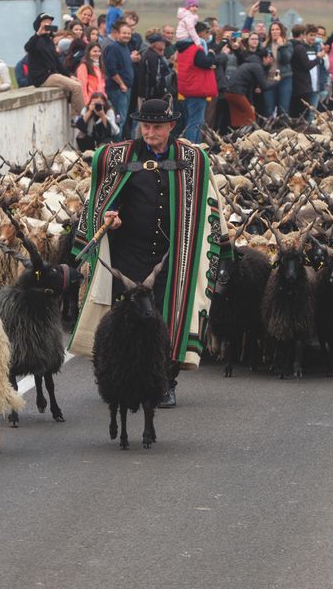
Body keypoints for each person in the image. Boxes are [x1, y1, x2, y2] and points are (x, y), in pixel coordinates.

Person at [68, 98, 232, 409]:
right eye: (146, 126)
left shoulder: (192, 160)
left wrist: (222, 250)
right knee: (127, 320)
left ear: (171, 126)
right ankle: (126, 379)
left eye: (157, 127)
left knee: (166, 319)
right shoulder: (119, 158)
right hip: (127, 256)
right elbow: (100, 200)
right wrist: (108, 219)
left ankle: (165, 383)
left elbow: (210, 205)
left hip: (172, 257)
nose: (150, 132)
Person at [25, 13, 83, 103]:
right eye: (45, 24)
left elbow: (57, 63)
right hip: (42, 78)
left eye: (50, 24)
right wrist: (38, 33)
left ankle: (75, 114)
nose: (48, 26)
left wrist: (70, 75)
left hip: (51, 75)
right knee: (77, 87)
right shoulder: (36, 40)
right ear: (39, 25)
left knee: (77, 84)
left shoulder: (49, 41)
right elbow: (27, 47)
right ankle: (83, 116)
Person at [176, 22, 219, 143]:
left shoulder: (184, 48)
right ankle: (193, 147)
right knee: (196, 121)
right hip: (196, 89)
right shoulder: (196, 49)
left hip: (189, 88)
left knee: (193, 120)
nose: (208, 35)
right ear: (198, 33)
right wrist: (211, 53)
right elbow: (205, 62)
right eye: (206, 32)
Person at [224, 46, 275, 128]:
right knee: (251, 118)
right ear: (264, 58)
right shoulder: (257, 66)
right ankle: (248, 137)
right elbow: (264, 86)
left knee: (238, 120)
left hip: (229, 92)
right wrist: (276, 81)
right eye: (269, 58)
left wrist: (251, 103)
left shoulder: (250, 63)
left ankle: (237, 137)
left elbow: (250, 87)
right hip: (236, 92)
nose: (270, 60)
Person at [103, 20, 136, 140]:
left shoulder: (126, 47)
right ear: (117, 34)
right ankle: (116, 146)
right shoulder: (113, 47)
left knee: (122, 118)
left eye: (129, 33)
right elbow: (111, 69)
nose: (126, 35)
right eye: (124, 33)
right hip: (117, 89)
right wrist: (121, 84)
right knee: (118, 119)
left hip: (126, 88)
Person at [289, 24, 323, 116]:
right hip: (302, 86)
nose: (314, 38)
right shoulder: (300, 48)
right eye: (310, 35)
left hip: (301, 84)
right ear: (303, 35)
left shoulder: (290, 45)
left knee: (300, 112)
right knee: (303, 113)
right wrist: (318, 58)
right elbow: (307, 65)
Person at [74, 41, 108, 107]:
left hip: (101, 101)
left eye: (99, 51)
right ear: (88, 52)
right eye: (94, 51)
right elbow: (82, 86)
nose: (97, 53)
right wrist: (87, 103)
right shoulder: (84, 66)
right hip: (90, 101)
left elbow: (102, 85)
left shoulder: (100, 66)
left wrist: (104, 98)